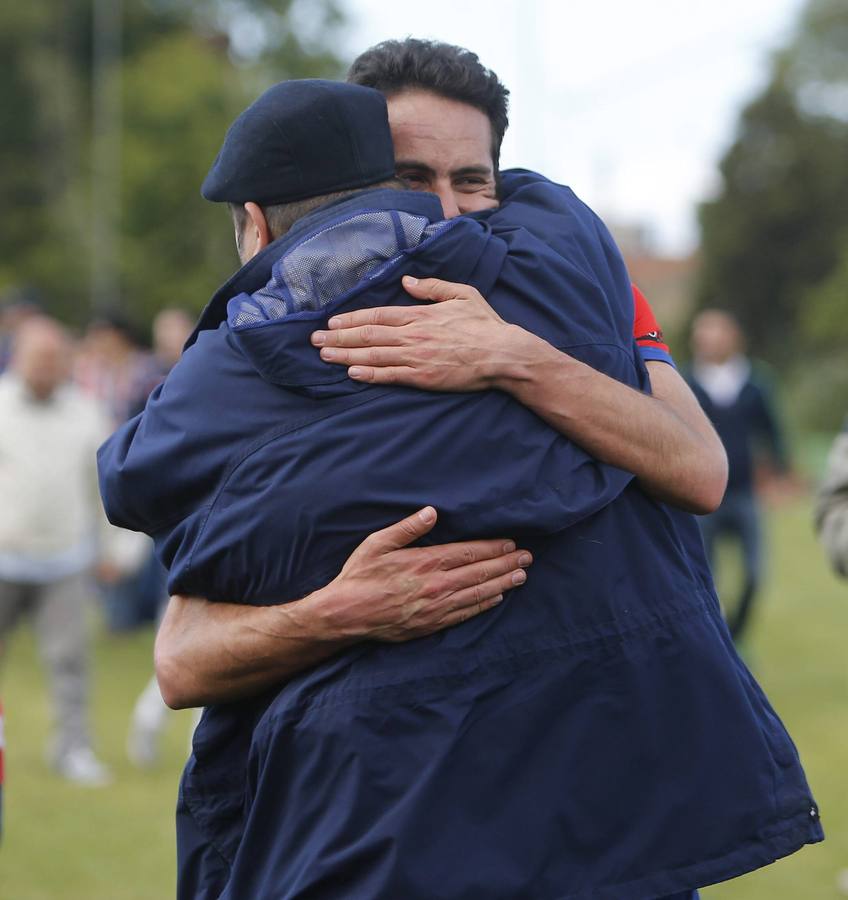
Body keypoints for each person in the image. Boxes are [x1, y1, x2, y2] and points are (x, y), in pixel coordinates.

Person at [99, 78, 821, 899]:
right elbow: (181, 659)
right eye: (412, 180)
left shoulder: (569, 300)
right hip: (390, 825)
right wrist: (339, 611)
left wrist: (517, 358)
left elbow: (699, 469)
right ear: (365, 188)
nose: (446, 210)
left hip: (606, 820)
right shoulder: (261, 387)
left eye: (475, 182)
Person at [0, 318, 113, 785]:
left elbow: (106, 487)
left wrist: (113, 550)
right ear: (17, 356)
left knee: (69, 662)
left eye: (53, 358)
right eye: (37, 357)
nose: (45, 367)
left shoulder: (87, 412)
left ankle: (73, 749)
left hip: (65, 558)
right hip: (3, 556)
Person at [686, 308, 790, 642]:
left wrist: (779, 475)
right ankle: (717, 638)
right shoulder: (683, 380)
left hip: (745, 493)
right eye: (703, 335)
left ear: (733, 338)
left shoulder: (755, 382)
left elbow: (772, 432)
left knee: (754, 574)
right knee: (705, 575)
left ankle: (736, 635)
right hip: (700, 497)